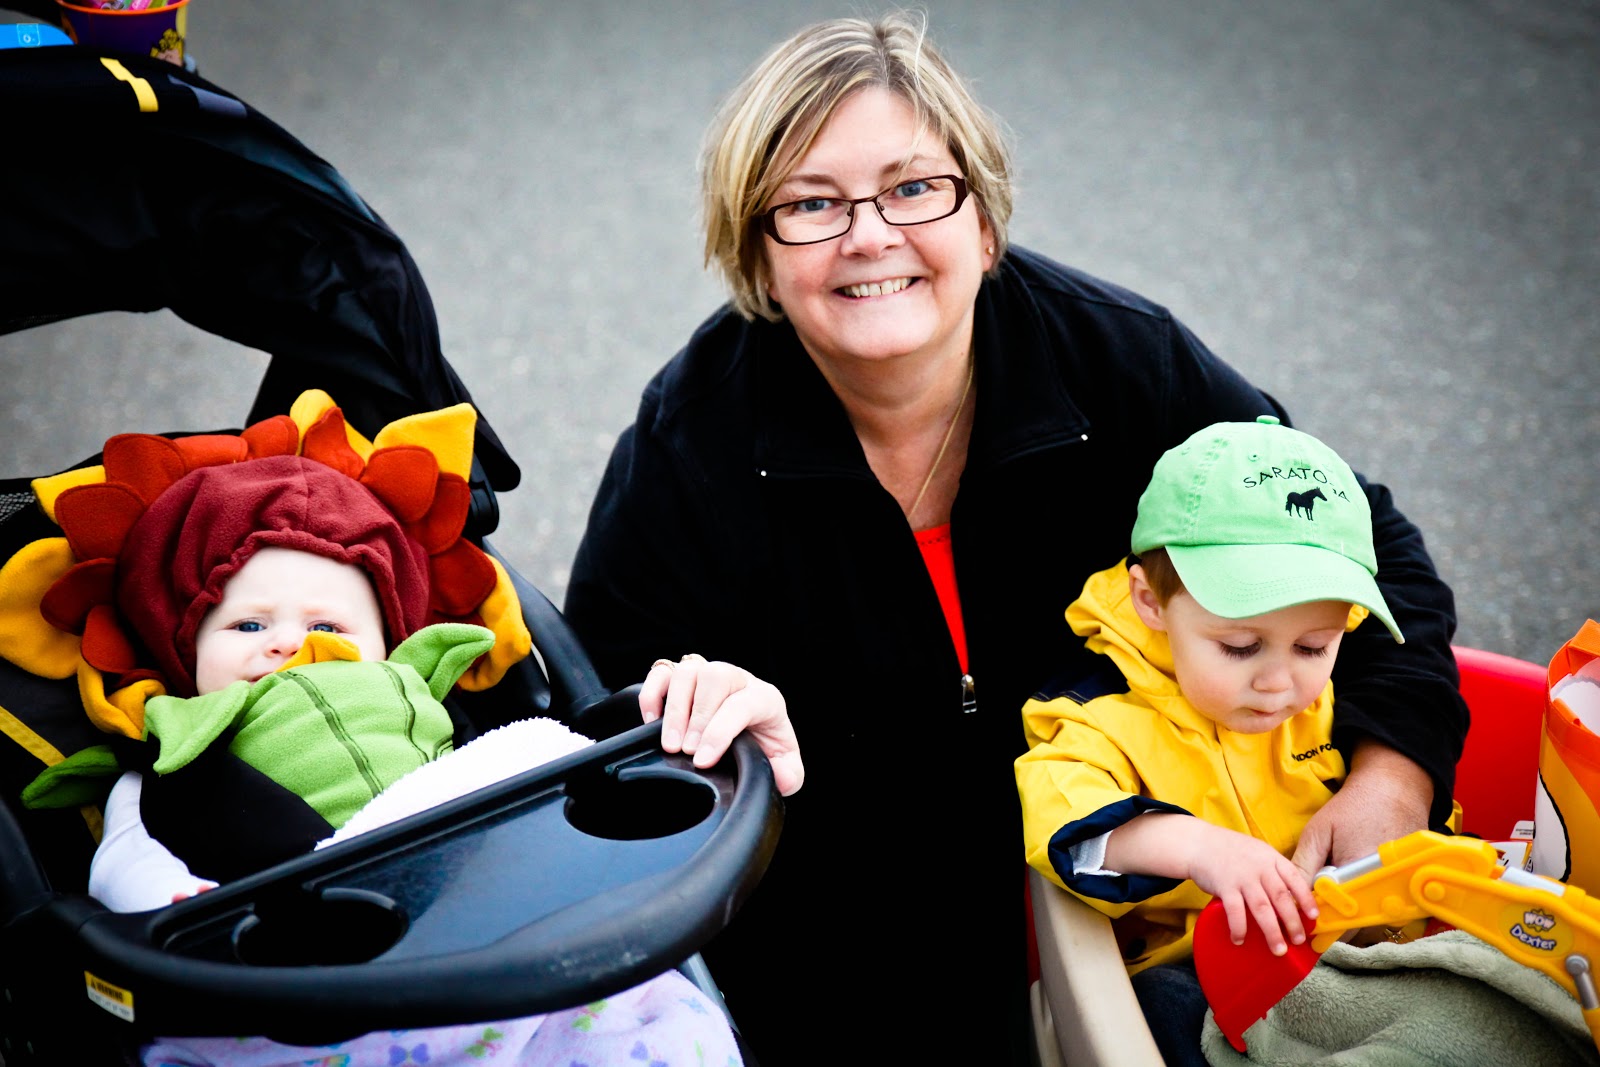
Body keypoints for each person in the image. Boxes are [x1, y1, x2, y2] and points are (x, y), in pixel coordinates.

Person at [563, 12, 1468, 1063]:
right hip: (844, 946)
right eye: (810, 204)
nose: (869, 235)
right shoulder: (690, 442)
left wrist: (1392, 773)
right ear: (757, 259)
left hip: (1150, 896)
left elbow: (1366, 546)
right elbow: (602, 728)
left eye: (913, 188)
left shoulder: (1120, 362)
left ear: (984, 224)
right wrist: (699, 713)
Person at [15, 402, 778, 1066]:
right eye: (248, 624)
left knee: (665, 1023)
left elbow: (516, 776)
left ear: (392, 649)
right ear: (185, 655)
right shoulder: (174, 761)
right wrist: (200, 919)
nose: (290, 642)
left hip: (497, 951)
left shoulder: (430, 710)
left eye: (329, 625)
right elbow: (128, 871)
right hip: (295, 993)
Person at [1016, 416, 1409, 1065]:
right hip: (1201, 970)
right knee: (1163, 1008)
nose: (1279, 681)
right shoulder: (1097, 715)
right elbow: (1070, 831)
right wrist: (1197, 846)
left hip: (1342, 958)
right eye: (1241, 646)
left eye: (1314, 646)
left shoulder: (1336, 703)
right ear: (1150, 601)